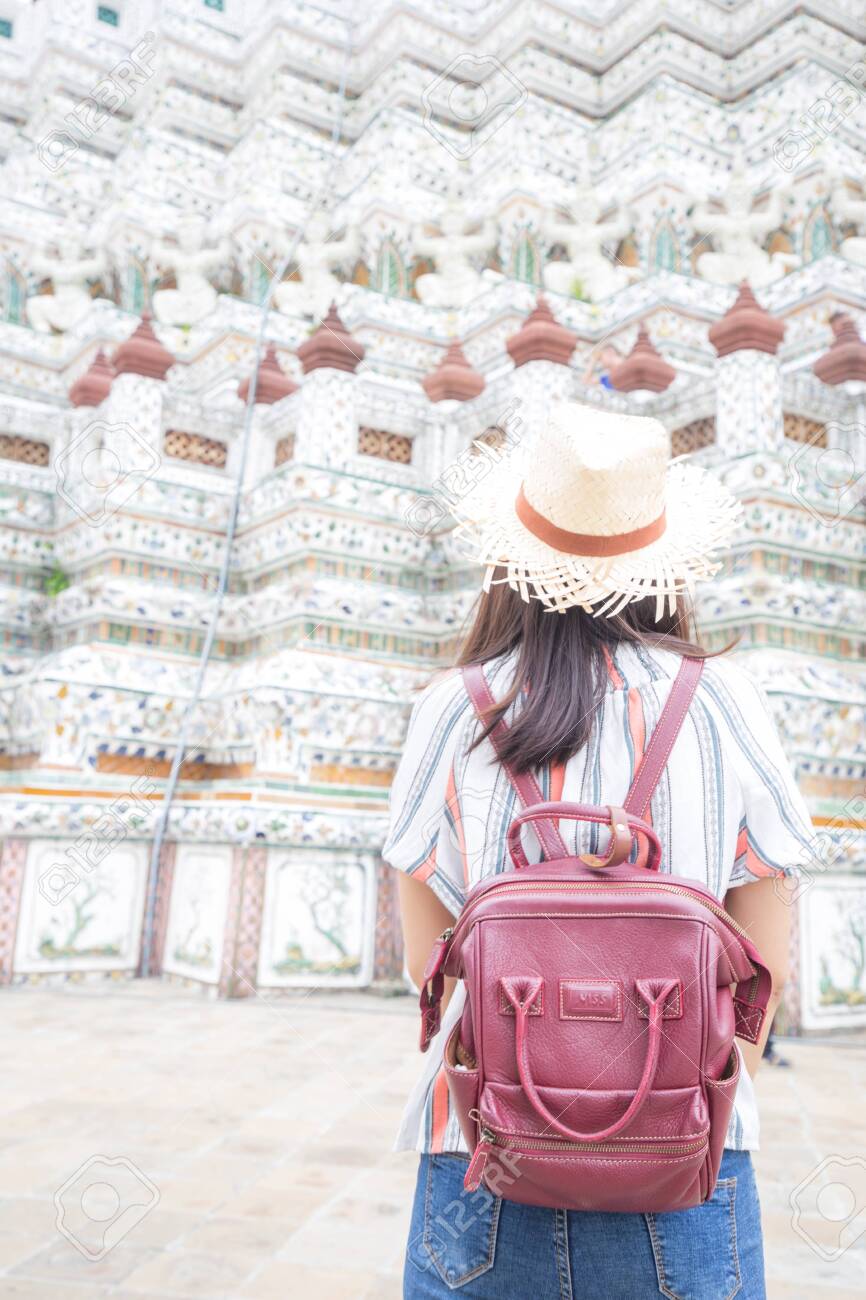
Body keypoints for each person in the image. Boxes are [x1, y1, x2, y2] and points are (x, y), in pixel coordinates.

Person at [383, 402, 814, 1300]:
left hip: (486, 1157)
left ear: (511, 559)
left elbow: (425, 965)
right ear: (660, 564)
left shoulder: (451, 708)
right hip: (684, 1162)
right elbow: (765, 970)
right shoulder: (728, 702)